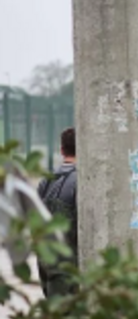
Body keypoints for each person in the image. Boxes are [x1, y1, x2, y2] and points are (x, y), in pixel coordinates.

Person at [37, 127, 78, 298]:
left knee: (54, 312)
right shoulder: (83, 180)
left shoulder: (46, 179)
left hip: (45, 258)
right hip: (68, 263)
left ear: (61, 150)